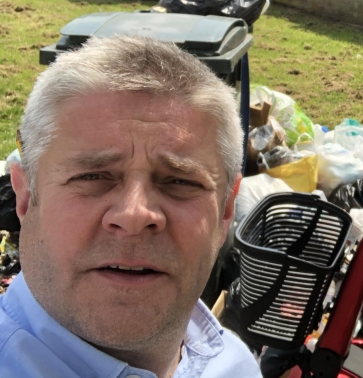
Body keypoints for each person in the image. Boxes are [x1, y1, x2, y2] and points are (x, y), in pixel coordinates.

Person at [0, 36, 262, 378]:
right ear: (26, 196)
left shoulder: (234, 364)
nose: (135, 215)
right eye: (93, 176)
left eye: (180, 181)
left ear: (226, 210)